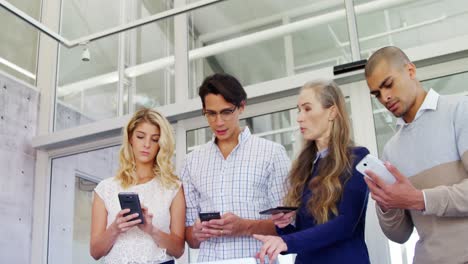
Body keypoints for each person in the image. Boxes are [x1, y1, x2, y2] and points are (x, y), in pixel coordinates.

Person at [364, 46, 468, 263]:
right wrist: (386, 204)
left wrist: (420, 199)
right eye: (377, 94)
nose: (385, 97)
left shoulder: (460, 109)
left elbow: (419, 201)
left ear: (410, 71)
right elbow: (400, 235)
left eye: (388, 84)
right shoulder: (391, 150)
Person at [253, 80, 371, 264]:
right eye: (299, 110)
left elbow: (346, 224)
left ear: (332, 112)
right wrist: (284, 227)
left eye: (307, 109)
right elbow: (305, 235)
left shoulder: (358, 158)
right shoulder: (303, 168)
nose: (299, 117)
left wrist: (287, 241)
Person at [181, 73, 290, 262]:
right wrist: (197, 232)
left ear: (241, 107)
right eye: (211, 114)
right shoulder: (192, 162)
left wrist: (244, 226)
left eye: (226, 112)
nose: (219, 122)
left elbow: (288, 226)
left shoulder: (272, 153)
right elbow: (190, 239)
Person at [90, 108, 185, 264]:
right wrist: (115, 228)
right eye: (140, 137)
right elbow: (95, 252)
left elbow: (178, 250)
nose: (147, 144)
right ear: (130, 139)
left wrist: (151, 229)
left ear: (161, 145)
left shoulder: (172, 188)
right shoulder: (105, 189)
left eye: (155, 139)